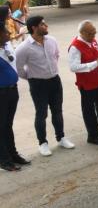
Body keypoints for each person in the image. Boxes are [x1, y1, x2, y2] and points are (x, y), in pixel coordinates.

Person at [15, 16, 75, 155]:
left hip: (55, 80)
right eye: (42, 24)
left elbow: (56, 56)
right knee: (41, 114)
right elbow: (19, 69)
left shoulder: (52, 40)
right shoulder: (24, 48)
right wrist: (32, 78)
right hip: (38, 84)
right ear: (34, 28)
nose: (46, 25)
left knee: (58, 111)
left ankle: (61, 137)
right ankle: (42, 143)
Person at [0, 23, 28, 171]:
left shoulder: (6, 47)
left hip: (12, 91)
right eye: (5, 32)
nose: (8, 34)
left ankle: (13, 154)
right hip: (1, 93)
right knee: (1, 126)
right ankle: (4, 160)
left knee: (8, 125)